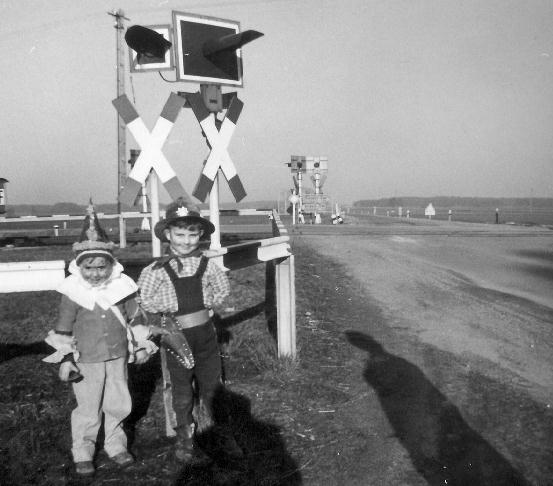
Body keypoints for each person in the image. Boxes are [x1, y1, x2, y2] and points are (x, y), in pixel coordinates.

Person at [42, 202, 160, 477]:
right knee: (88, 406)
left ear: (111, 265)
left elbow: (136, 320)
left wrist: (142, 345)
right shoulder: (73, 293)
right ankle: (83, 449)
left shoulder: (122, 288)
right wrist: (67, 358)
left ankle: (115, 443)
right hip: (87, 359)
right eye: (89, 268)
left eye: (101, 267)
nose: (95, 273)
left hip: (117, 355)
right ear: (79, 267)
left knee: (118, 401)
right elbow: (63, 330)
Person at [138, 197, 239, 463]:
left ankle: (223, 433)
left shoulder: (207, 265)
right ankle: (184, 436)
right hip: (176, 336)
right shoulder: (156, 270)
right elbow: (145, 299)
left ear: (200, 235)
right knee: (181, 389)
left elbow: (222, 290)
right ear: (168, 234)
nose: (185, 241)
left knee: (213, 385)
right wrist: (164, 315)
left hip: (205, 334)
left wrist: (211, 304)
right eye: (179, 234)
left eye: (192, 234)